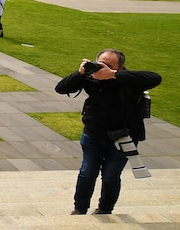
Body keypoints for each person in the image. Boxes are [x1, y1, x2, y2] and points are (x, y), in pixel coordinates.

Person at [55, 49, 161, 215]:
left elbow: (155, 78)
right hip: (94, 134)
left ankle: (105, 209)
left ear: (121, 67)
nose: (102, 68)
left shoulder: (129, 80)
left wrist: (113, 75)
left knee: (111, 175)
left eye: (110, 65)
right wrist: (80, 72)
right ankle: (80, 208)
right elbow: (61, 88)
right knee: (87, 172)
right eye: (101, 64)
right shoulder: (91, 77)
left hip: (123, 136)